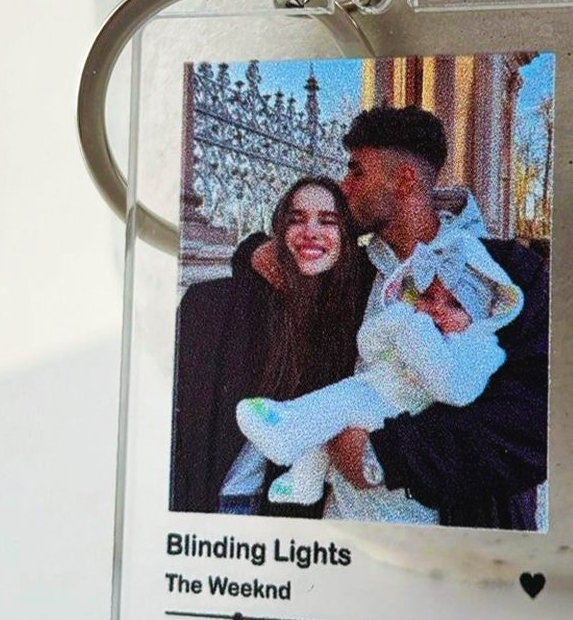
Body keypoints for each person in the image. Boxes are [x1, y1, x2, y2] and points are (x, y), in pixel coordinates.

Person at [319, 103, 550, 530]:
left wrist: (386, 456)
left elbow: (538, 422)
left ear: (405, 179)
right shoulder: (350, 274)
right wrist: (253, 253)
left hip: (453, 547)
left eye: (357, 171)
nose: (344, 186)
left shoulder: (508, 276)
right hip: (340, 536)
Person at [233, 228, 525, 507]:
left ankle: (284, 430)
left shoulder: (480, 348)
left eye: (455, 305)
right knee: (333, 407)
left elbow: (456, 389)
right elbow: (370, 348)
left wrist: (416, 331)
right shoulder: (411, 323)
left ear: (482, 315)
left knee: (339, 404)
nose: (437, 309)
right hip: (378, 390)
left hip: (406, 415)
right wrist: (396, 322)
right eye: (428, 297)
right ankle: (305, 481)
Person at [168, 177, 369, 515]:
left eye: (328, 221)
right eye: (296, 219)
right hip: (220, 509)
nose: (311, 231)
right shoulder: (219, 306)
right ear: (279, 231)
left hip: (291, 518)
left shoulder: (353, 319)